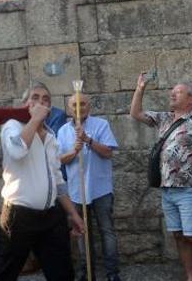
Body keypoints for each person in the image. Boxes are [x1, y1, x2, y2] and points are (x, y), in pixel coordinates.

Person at [130, 75, 192, 281]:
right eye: (173, 91)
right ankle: (191, 276)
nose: (172, 94)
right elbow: (135, 113)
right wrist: (140, 88)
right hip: (167, 189)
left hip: (189, 190)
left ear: (191, 99)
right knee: (178, 236)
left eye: (178, 92)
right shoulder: (165, 119)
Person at [0, 96, 84, 281]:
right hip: (19, 216)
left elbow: (57, 178)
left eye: (45, 99)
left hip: (50, 216)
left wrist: (73, 214)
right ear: (25, 103)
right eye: (35, 98)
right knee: (6, 273)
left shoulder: (51, 136)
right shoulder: (13, 125)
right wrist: (34, 119)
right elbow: (17, 151)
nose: (41, 102)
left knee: (62, 273)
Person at [58, 93, 121, 281]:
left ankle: (112, 274)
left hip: (100, 188)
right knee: (81, 232)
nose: (79, 108)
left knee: (107, 231)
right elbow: (59, 159)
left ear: (89, 106)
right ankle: (86, 272)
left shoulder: (101, 125)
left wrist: (89, 141)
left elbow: (109, 152)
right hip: (77, 190)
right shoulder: (63, 131)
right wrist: (74, 151)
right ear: (69, 108)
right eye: (74, 105)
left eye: (83, 104)